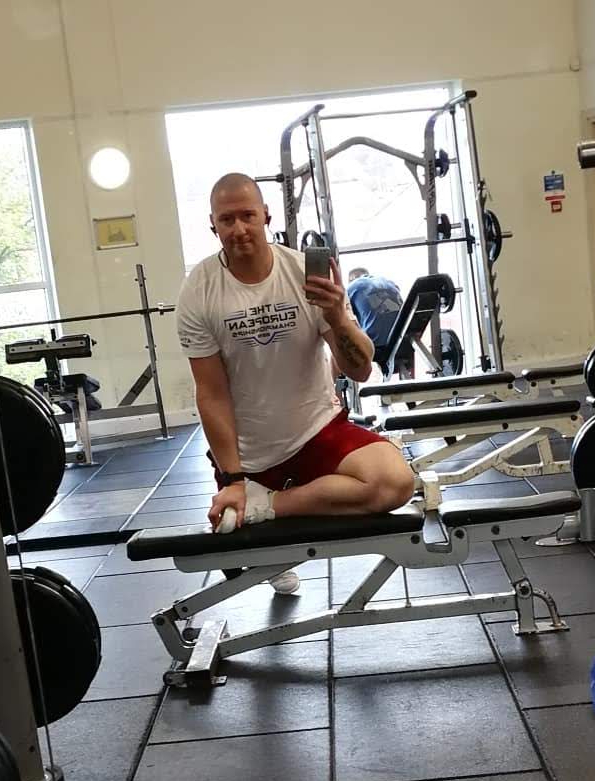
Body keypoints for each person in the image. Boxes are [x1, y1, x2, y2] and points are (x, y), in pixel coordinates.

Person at [175, 173, 415, 594]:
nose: (239, 228)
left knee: (396, 482)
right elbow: (211, 393)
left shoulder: (304, 273)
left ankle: (269, 506)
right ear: (213, 225)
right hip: (251, 454)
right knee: (245, 551)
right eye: (227, 219)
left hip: (317, 431)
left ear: (266, 216)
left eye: (248, 215)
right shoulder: (199, 291)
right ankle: (257, 503)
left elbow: (360, 370)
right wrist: (233, 479)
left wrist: (338, 317)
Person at [346, 267, 403, 351]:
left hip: (377, 345)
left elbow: (345, 320)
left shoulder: (352, 287)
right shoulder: (389, 283)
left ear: (352, 279)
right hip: (403, 337)